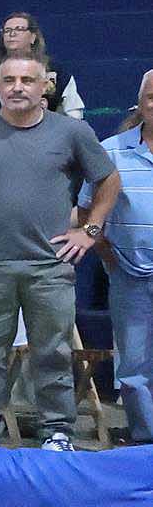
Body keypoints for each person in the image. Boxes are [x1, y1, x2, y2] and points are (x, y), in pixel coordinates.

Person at [0, 52, 120, 450]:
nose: (17, 87)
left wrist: (90, 230)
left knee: (53, 355)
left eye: (26, 80)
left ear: (44, 86)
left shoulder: (71, 132)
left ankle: (59, 432)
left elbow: (109, 181)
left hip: (50, 265)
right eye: (8, 80)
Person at [105, 71, 153, 445]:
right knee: (134, 366)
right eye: (151, 97)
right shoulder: (111, 151)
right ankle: (145, 439)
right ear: (140, 105)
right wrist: (110, 257)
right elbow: (90, 213)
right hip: (130, 278)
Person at [0, 11, 86, 120]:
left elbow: (74, 113)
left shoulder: (56, 72)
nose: (12, 34)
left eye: (19, 29)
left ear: (33, 37)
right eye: (7, 30)